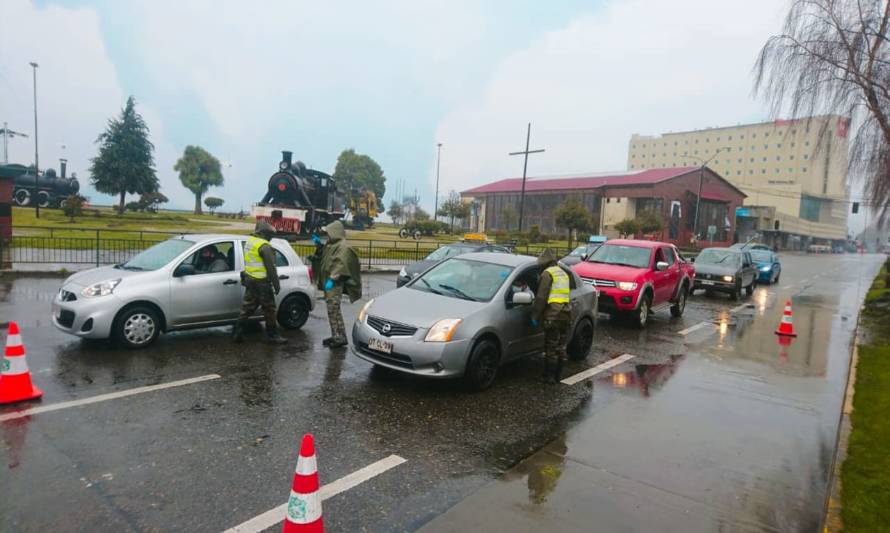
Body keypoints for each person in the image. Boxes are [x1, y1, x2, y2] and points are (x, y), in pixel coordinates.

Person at [232, 220, 287, 345]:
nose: (271, 238)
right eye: (270, 235)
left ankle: (237, 332)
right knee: (269, 308)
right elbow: (271, 268)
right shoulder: (264, 246)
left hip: (250, 279)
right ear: (265, 234)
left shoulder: (250, 242)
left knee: (247, 306)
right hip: (262, 281)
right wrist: (277, 284)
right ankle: (272, 335)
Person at [317, 220, 362, 348]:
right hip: (328, 281)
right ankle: (336, 335)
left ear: (335, 232)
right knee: (331, 310)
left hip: (335, 283)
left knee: (334, 309)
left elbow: (340, 264)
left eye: (329, 233)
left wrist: (332, 279)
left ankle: (340, 337)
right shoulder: (331, 245)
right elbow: (325, 257)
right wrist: (319, 246)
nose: (328, 235)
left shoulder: (343, 247)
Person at [530, 248, 572, 382]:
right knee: (561, 346)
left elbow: (541, 297)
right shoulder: (563, 273)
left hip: (554, 314)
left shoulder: (547, 274)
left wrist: (534, 316)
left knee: (551, 346)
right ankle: (558, 376)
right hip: (567, 313)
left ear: (544, 264)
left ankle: (549, 377)